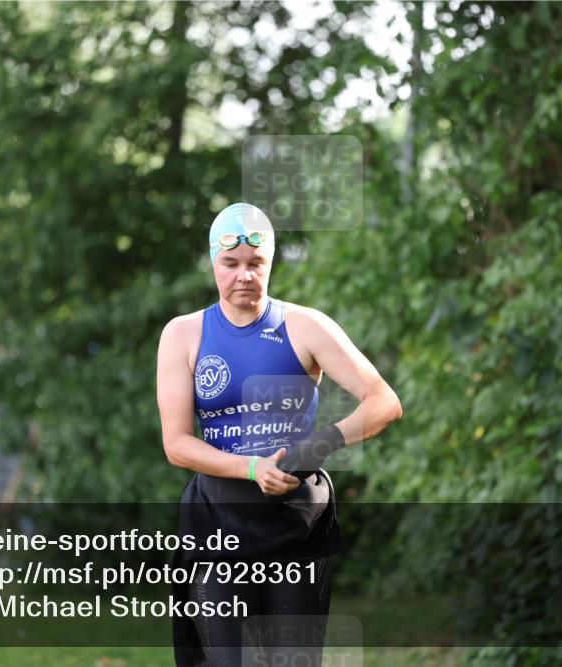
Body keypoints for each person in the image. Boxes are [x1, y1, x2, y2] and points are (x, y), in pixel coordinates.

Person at [157, 202, 402, 666]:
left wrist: (318, 445)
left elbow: (383, 401)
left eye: (256, 264)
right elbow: (176, 444)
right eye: (231, 264)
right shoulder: (183, 335)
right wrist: (252, 468)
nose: (244, 275)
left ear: (271, 263)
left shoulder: (304, 326)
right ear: (214, 263)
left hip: (294, 526)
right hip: (218, 525)